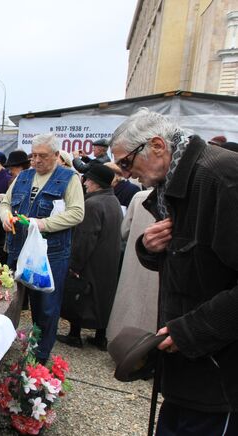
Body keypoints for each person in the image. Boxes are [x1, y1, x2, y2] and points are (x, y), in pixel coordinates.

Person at [109, 108, 238, 434]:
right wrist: (149, 248)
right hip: (187, 367)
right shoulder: (173, 184)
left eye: (126, 163)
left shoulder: (221, 177)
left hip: (219, 376)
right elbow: (192, 262)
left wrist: (189, 331)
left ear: (156, 145)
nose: (124, 174)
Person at [0, 133, 85, 364]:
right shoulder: (24, 176)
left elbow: (77, 213)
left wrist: (43, 223)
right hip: (19, 249)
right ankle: (3, 345)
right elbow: (6, 202)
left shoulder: (69, 178)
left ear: (57, 156)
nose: (36, 161)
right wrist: (5, 216)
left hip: (51, 254)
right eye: (33, 155)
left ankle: (39, 358)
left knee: (46, 308)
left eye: (42, 156)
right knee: (9, 299)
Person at [57, 164, 123, 351]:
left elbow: (85, 238)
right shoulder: (113, 200)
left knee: (79, 295)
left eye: (88, 180)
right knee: (103, 297)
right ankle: (100, 337)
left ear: (96, 183)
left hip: (91, 261)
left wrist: (74, 265)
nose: (85, 183)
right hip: (108, 260)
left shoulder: (92, 204)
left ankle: (74, 335)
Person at [106, 189, 158, 343]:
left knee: (130, 302)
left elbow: (124, 230)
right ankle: (148, 346)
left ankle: (121, 342)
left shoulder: (140, 197)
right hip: (158, 264)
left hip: (135, 258)